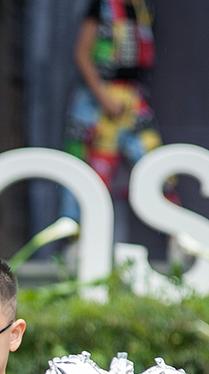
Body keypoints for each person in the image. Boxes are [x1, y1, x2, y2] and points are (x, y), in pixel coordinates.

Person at [63, 0, 174, 238]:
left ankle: (179, 238)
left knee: (157, 168)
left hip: (133, 100)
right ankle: (76, 242)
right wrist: (103, 96)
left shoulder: (143, 8)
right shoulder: (101, 6)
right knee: (89, 177)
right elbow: (82, 54)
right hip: (97, 104)